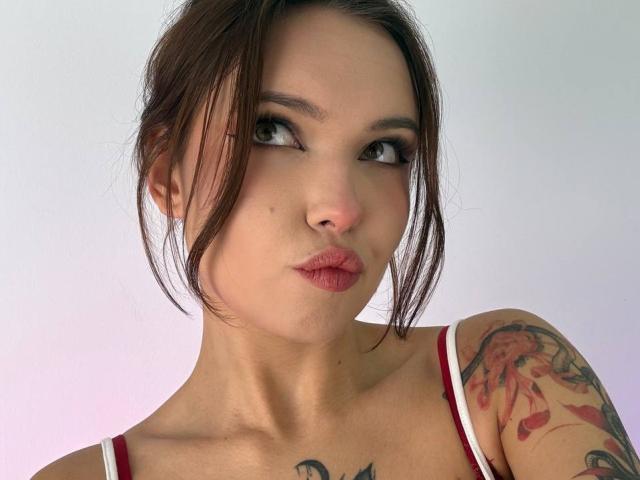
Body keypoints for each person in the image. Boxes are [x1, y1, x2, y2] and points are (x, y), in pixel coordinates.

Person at [33, 1, 639, 479]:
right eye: (272, 131)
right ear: (167, 172)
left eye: (383, 150)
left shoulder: (510, 377)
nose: (342, 210)